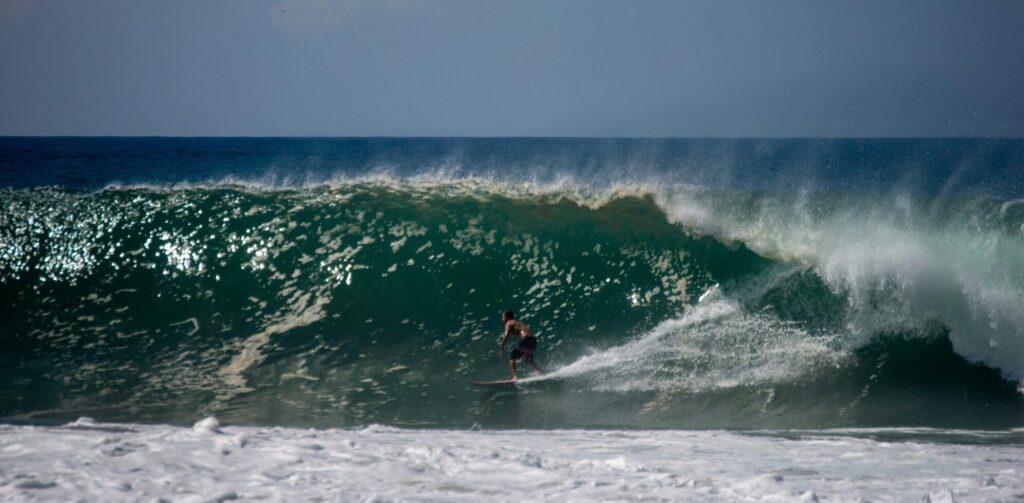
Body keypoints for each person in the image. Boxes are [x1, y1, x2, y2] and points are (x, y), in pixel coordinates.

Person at [499, 310, 543, 380]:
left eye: (503, 317)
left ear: (506, 317)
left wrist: (501, 348)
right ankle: (542, 372)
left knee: (512, 357)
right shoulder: (519, 322)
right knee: (527, 360)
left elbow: (506, 335)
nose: (502, 319)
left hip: (526, 339)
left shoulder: (508, 323)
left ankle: (515, 377)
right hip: (533, 340)